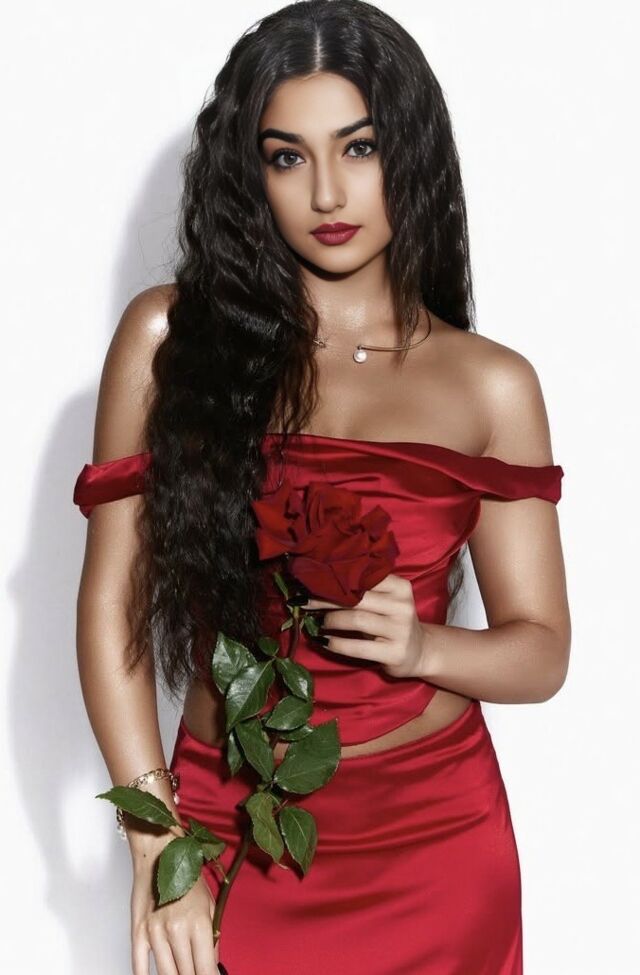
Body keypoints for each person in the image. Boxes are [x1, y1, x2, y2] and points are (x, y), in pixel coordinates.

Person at [73, 1, 571, 972]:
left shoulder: (491, 384)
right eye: (287, 156)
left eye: (360, 147)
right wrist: (156, 837)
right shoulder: (170, 339)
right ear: (249, 173)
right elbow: (111, 605)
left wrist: (424, 645)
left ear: (411, 154)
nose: (328, 191)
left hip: (437, 843)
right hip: (230, 827)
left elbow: (542, 651)